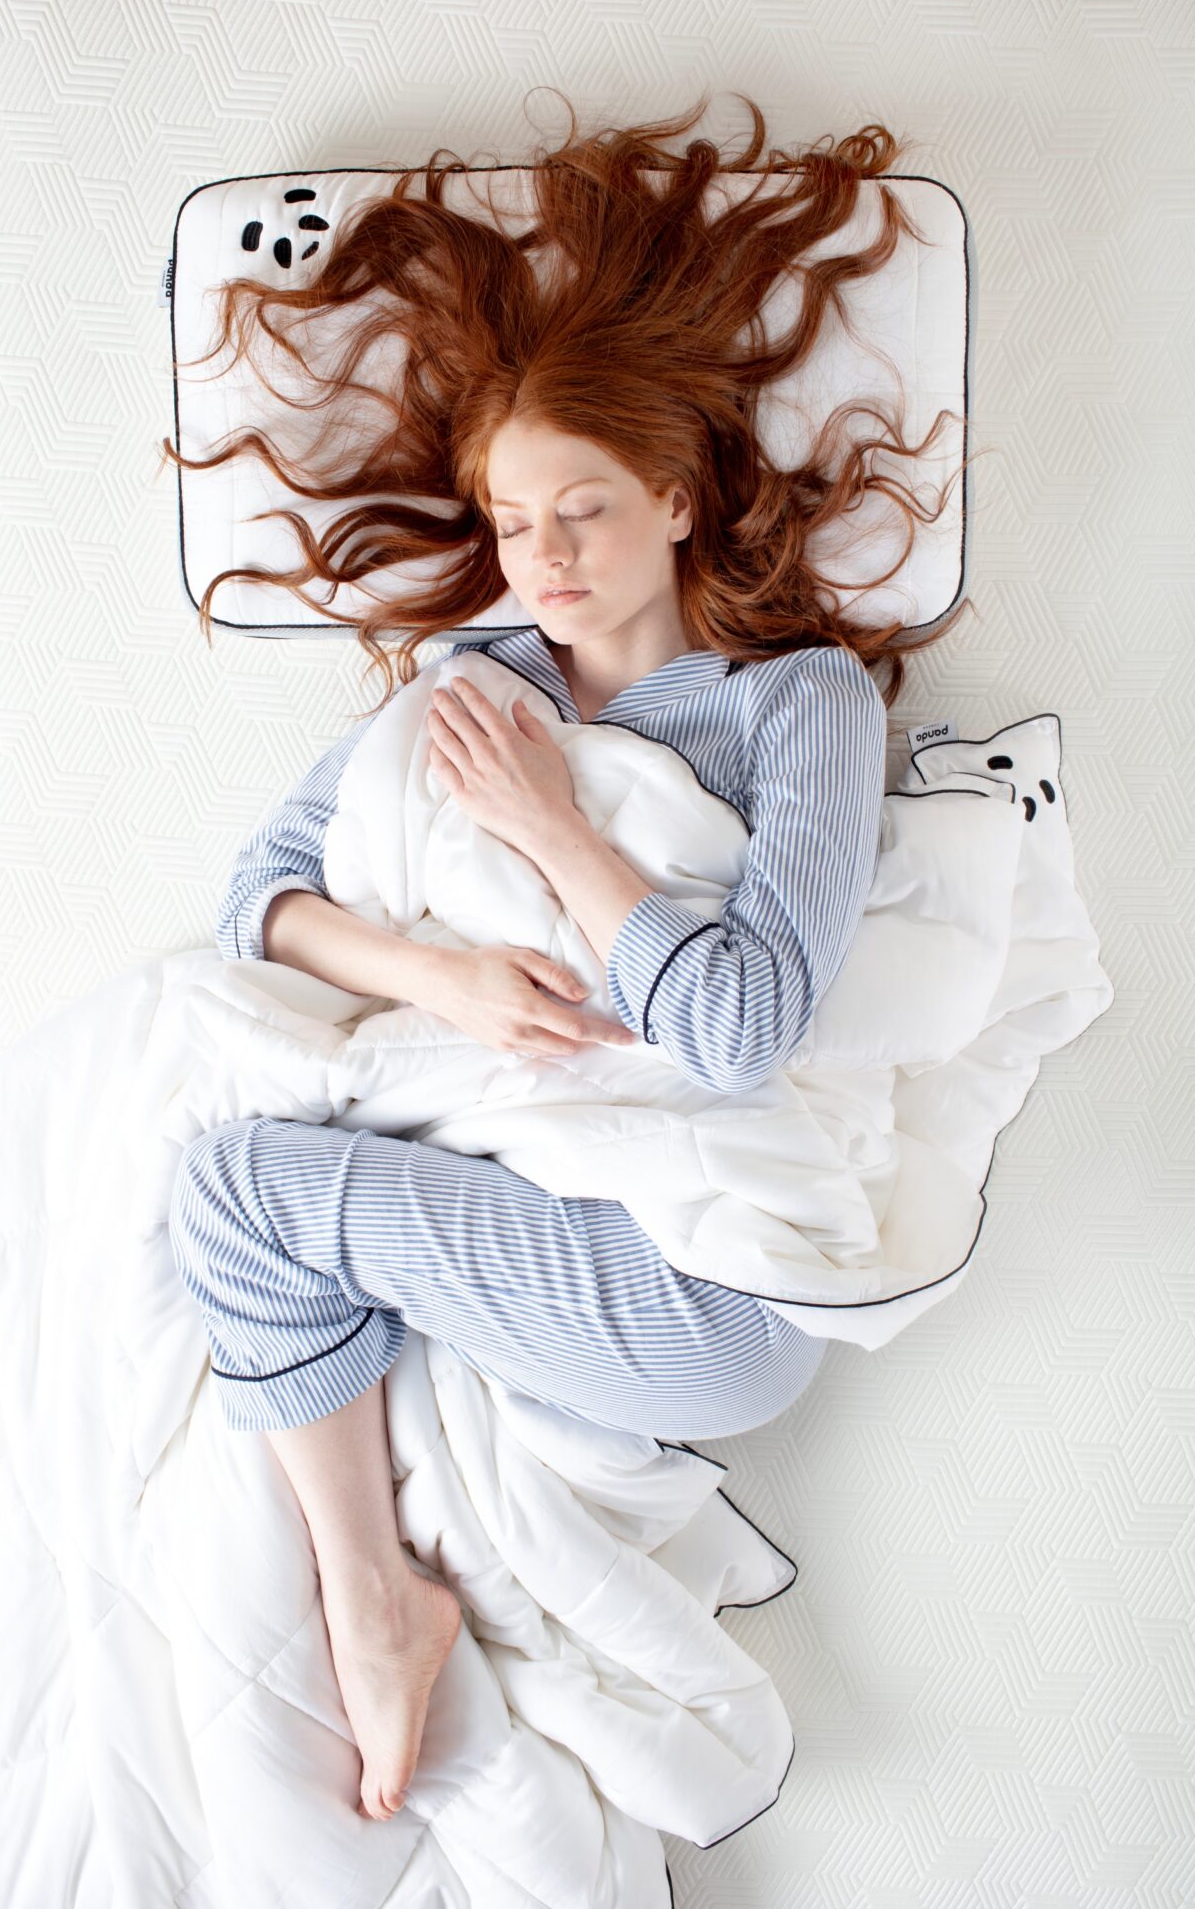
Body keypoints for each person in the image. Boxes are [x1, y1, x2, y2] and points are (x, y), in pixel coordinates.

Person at [162, 90, 970, 1826]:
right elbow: (263, 901)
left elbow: (748, 1029)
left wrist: (556, 833)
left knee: (237, 1199)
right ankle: (387, 1600)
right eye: (516, 526)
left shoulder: (794, 704)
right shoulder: (477, 679)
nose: (544, 563)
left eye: (583, 513)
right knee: (230, 1171)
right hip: (533, 1164)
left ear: (676, 500)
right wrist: (440, 981)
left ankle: (376, 1609)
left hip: (715, 1281)